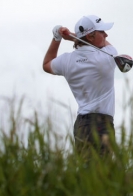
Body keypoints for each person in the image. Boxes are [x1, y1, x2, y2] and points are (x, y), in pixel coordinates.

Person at [42, 15, 118, 155]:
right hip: (103, 124)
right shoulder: (107, 56)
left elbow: (47, 64)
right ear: (90, 37)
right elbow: (108, 45)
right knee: (103, 173)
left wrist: (57, 37)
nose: (106, 35)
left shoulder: (67, 60)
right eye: (102, 32)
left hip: (82, 125)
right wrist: (72, 36)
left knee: (85, 171)